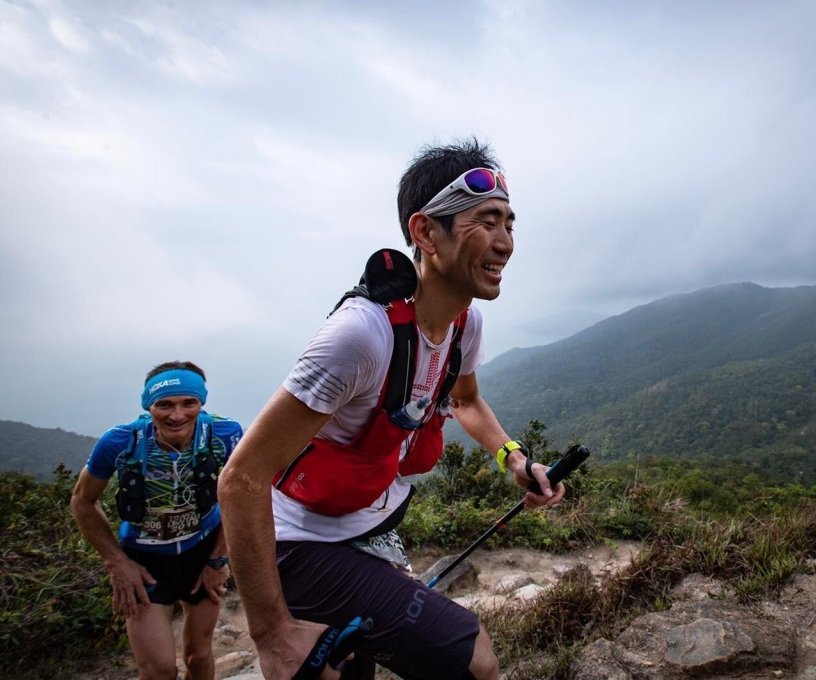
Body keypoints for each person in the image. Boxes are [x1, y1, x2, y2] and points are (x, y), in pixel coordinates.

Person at [217, 138, 566, 680]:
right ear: (426, 232)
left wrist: (515, 461)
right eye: (486, 221)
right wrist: (272, 635)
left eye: (510, 224)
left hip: (370, 529)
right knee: (475, 660)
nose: (505, 244)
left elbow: (466, 399)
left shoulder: (463, 325)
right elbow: (241, 477)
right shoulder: (362, 336)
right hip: (302, 544)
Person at [71, 361, 243, 680]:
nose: (177, 415)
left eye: (188, 403)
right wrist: (117, 563)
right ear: (149, 405)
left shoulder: (224, 435)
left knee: (198, 655)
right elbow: (82, 501)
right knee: (158, 670)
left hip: (201, 552)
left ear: (200, 403)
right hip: (144, 564)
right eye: (164, 404)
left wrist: (218, 559)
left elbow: (241, 496)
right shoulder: (121, 442)